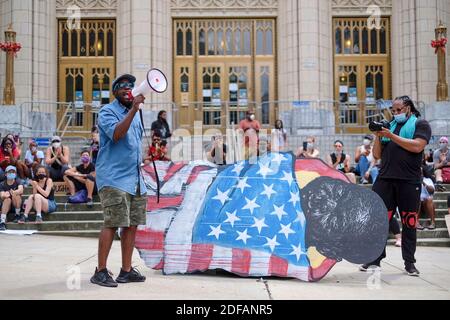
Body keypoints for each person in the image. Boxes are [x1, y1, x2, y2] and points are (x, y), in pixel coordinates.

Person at [359, 96, 432, 276]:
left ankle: (409, 262)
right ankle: (374, 258)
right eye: (393, 110)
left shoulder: (420, 124)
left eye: (399, 109)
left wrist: (391, 136)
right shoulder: (390, 125)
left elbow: (417, 147)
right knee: (378, 220)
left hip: (409, 181)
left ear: (408, 108)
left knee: (409, 222)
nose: (396, 113)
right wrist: (378, 136)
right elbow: (376, 155)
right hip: (385, 180)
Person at [92, 74, 147, 287]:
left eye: (131, 87)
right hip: (114, 177)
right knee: (113, 222)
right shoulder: (107, 112)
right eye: (123, 87)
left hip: (134, 179)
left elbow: (133, 145)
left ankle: (126, 271)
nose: (128, 90)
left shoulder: (135, 114)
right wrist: (133, 109)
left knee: (132, 224)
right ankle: (101, 271)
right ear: (115, 92)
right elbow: (116, 134)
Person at [0, 166, 23, 231]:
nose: (11, 173)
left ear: (15, 174)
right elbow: (1, 195)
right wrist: (5, 195)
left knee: (16, 195)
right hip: (6, 206)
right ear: (5, 174)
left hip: (16, 204)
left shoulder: (18, 181)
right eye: (9, 172)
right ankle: (2, 221)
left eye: (13, 172)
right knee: (7, 199)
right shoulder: (2, 184)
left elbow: (21, 190)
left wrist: (14, 192)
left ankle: (17, 214)